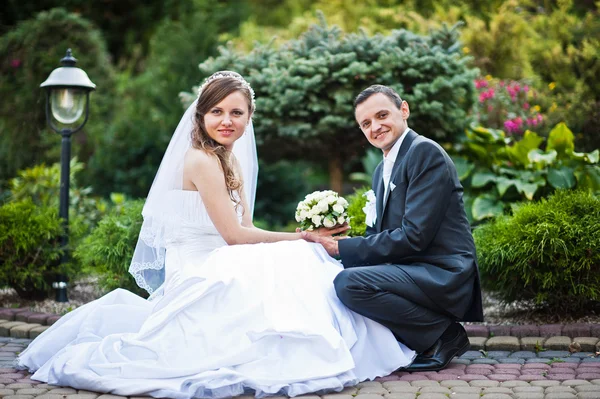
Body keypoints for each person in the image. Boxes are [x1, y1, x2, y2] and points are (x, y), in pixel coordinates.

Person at [17, 73, 415, 398]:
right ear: (201, 117)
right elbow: (235, 237)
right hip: (199, 264)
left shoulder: (229, 161)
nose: (227, 120)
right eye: (217, 111)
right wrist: (303, 239)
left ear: (248, 117)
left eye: (237, 112)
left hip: (224, 254)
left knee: (302, 258)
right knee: (299, 258)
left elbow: (248, 230)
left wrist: (304, 236)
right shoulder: (202, 160)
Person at [303, 84, 484, 372]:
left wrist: (345, 248)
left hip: (441, 271)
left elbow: (415, 237)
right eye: (366, 123)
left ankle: (443, 336)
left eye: (381, 115)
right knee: (333, 274)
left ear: (404, 110)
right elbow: (379, 235)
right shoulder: (381, 168)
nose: (375, 127)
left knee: (349, 283)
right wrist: (342, 245)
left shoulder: (424, 153)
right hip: (411, 267)